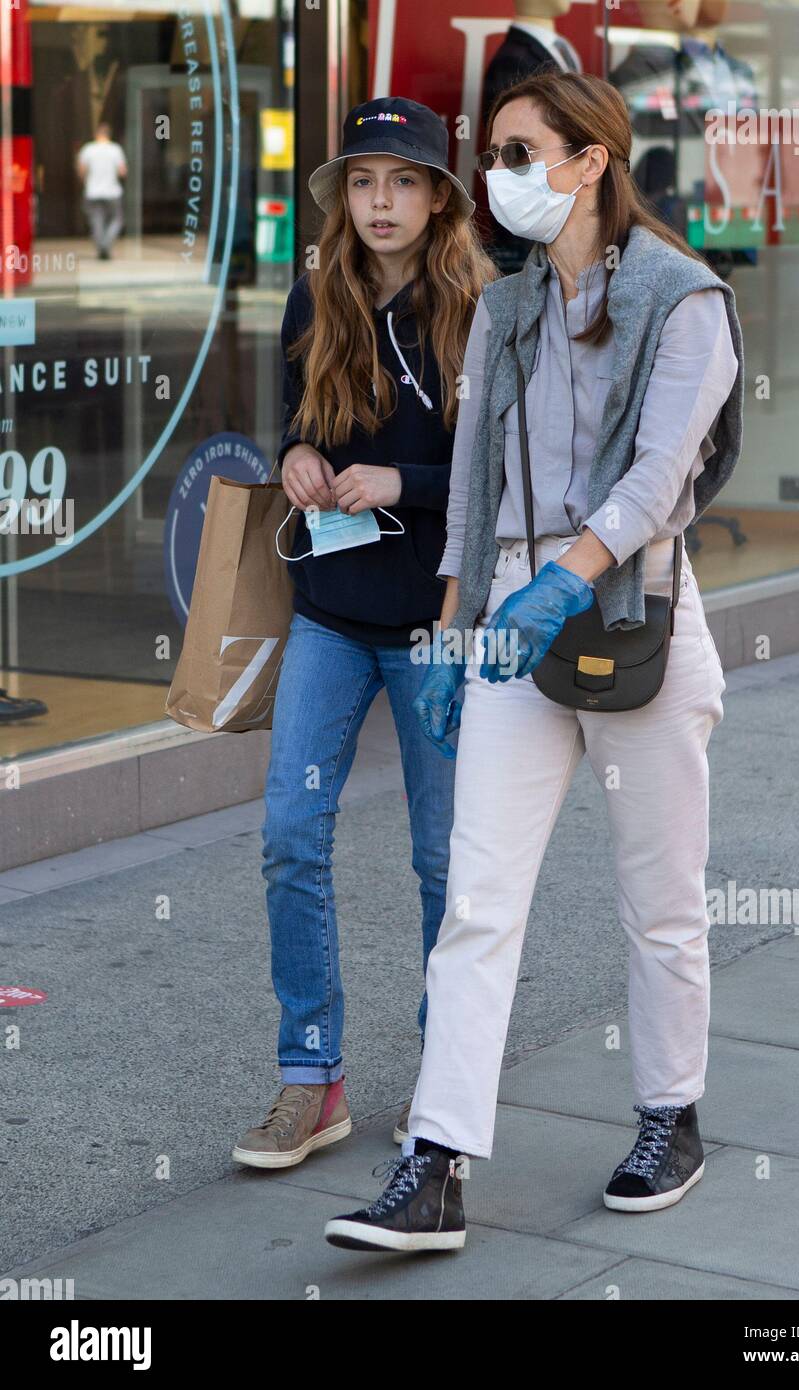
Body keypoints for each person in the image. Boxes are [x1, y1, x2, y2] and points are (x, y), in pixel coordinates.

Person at [324, 70, 743, 1253]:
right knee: (477, 898)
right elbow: (469, 489)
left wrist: (569, 579)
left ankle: (671, 1115)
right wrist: (463, 626)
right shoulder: (506, 310)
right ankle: (436, 1161)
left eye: (517, 153)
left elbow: (661, 472)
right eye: (493, 154)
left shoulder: (684, 298)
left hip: (628, 606)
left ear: (590, 161)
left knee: (658, 899)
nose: (496, 177)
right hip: (510, 606)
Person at [232, 97, 496, 1171]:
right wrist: (296, 455)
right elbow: (304, 420)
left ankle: (448, 1070)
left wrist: (407, 479)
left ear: (439, 197)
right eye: (362, 182)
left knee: (443, 859)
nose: (379, 202)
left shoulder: (482, 307)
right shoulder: (317, 293)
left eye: (402, 181)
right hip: (331, 613)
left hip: (434, 620)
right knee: (291, 836)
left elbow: (502, 474)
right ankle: (313, 1076)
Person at [76, 122, 127, 260]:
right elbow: (122, 171)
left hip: (93, 191)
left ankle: (101, 246)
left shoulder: (88, 149)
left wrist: (86, 182)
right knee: (117, 219)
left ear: (96, 134)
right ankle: (106, 243)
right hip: (112, 191)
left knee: (96, 220)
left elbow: (81, 171)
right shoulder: (115, 149)